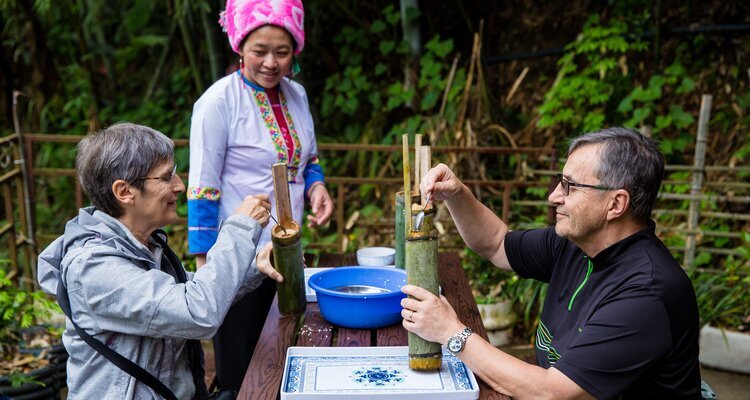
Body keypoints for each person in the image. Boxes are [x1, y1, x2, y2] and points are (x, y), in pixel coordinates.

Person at [401, 127, 701, 399]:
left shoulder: (646, 293)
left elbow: (553, 393)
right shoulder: (575, 243)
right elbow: (495, 243)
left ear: (616, 204)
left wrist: (452, 332)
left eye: (570, 186)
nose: (553, 196)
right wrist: (457, 195)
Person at [37, 123, 283, 399]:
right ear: (125, 191)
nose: (179, 186)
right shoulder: (93, 268)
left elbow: (185, 290)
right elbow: (197, 310)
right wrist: (240, 227)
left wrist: (255, 268)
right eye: (166, 178)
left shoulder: (143, 245)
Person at [187, 0, 333, 395]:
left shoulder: (297, 95)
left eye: (282, 52)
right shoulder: (217, 103)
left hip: (288, 250)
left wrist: (317, 186)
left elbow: (309, 158)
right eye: (259, 51)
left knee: (283, 351)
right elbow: (202, 189)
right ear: (238, 47)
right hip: (237, 263)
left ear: (295, 52)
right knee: (240, 371)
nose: (271, 62)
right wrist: (206, 276)